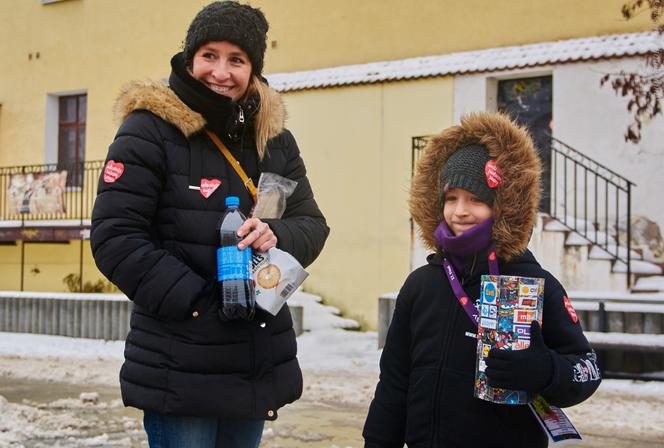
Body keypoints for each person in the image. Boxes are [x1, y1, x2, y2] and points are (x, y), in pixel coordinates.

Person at [90, 2, 329, 447]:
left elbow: (312, 224)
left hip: (252, 360)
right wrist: (199, 305)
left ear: (253, 69)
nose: (221, 71)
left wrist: (278, 234)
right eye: (209, 55)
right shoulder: (149, 130)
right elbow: (115, 238)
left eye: (236, 59)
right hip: (179, 362)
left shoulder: (273, 140)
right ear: (189, 58)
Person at [362, 112, 600, 447]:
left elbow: (586, 370)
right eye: (451, 198)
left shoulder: (536, 284)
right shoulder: (421, 285)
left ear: (503, 206)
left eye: (476, 199)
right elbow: (394, 382)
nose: (460, 211)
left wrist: (545, 370)